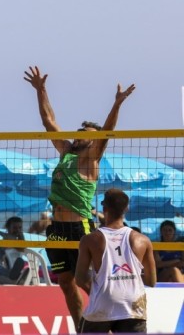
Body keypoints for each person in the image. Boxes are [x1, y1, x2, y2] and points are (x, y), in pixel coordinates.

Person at [24, 65, 135, 327]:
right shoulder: (67, 152)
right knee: (65, 282)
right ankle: (80, 328)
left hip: (80, 227)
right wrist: (41, 90)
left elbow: (106, 132)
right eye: (80, 130)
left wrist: (117, 104)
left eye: (85, 133)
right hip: (57, 227)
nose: (79, 134)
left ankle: (112, 323)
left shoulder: (91, 159)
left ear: (93, 141)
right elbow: (49, 121)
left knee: (88, 282)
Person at [75, 189, 156, 333]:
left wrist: (104, 287)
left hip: (103, 302)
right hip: (133, 305)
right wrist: (126, 278)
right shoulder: (143, 240)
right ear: (126, 208)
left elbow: (80, 279)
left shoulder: (90, 240)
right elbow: (151, 281)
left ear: (104, 208)